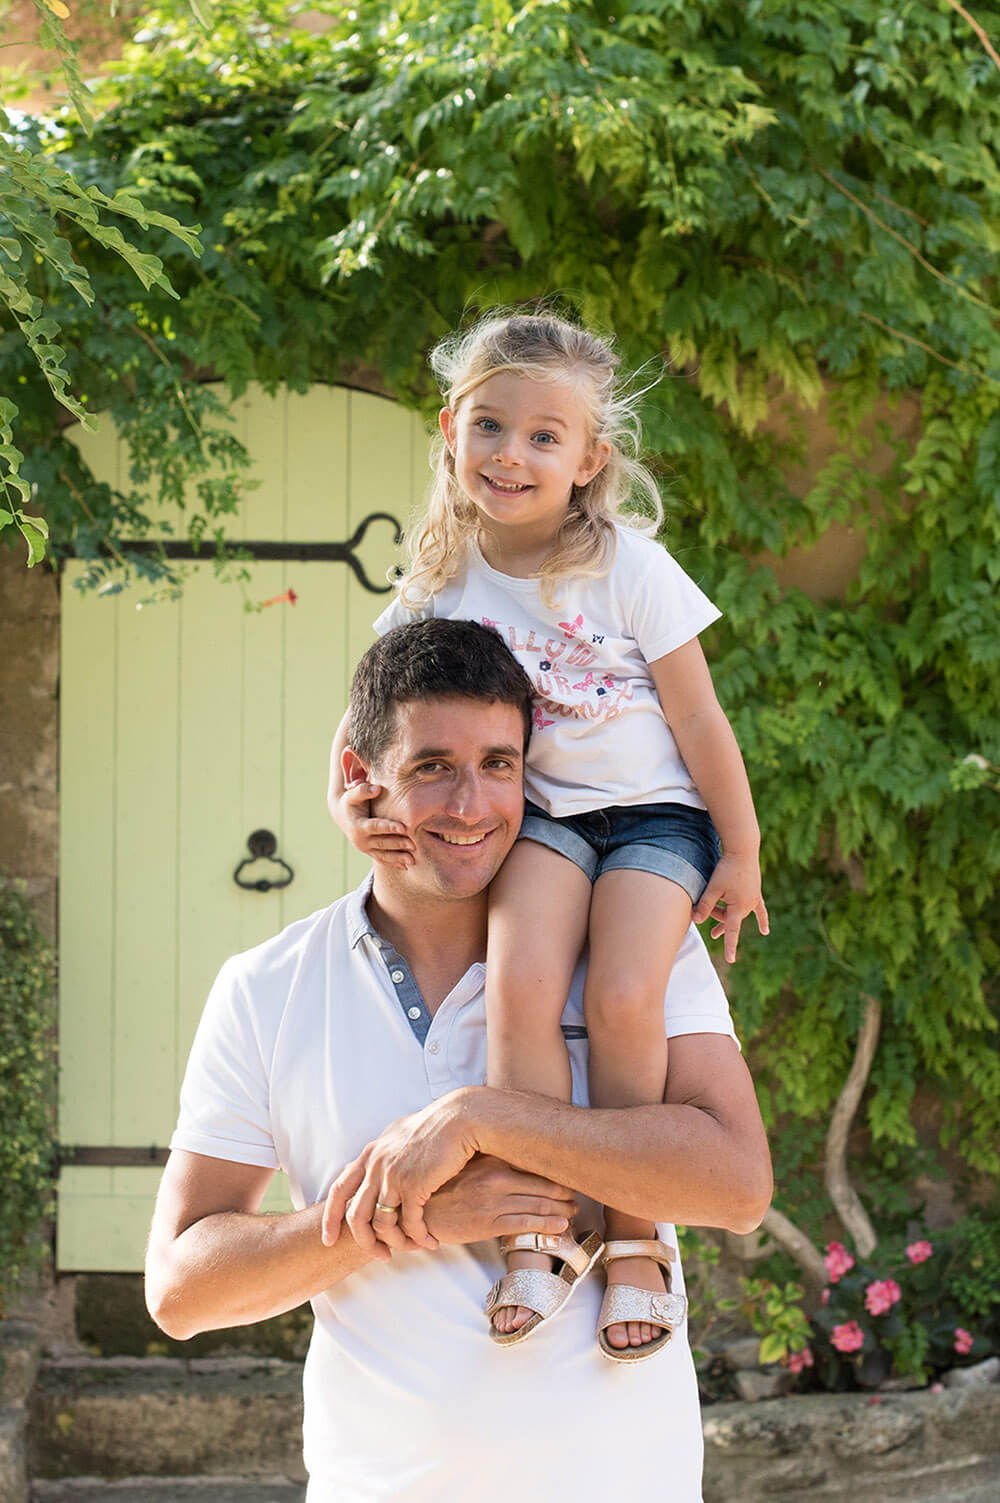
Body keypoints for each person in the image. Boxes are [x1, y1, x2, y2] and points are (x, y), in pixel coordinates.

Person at [147, 617, 772, 1501]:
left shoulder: (634, 943)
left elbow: (738, 1184)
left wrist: (483, 1118)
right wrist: (409, 1219)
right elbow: (181, 1289)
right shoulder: (268, 987)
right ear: (361, 777)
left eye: (499, 764)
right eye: (433, 765)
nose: (471, 805)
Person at [327, 311, 768, 1356]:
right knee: (517, 985)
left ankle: (633, 1231)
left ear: (587, 459)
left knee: (621, 997)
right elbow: (364, 720)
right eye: (489, 427)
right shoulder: (438, 579)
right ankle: (545, 1221)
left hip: (653, 818)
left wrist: (739, 849)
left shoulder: (629, 567)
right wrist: (349, 802)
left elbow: (700, 719)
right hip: (546, 821)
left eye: (542, 437)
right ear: (449, 430)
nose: (511, 455)